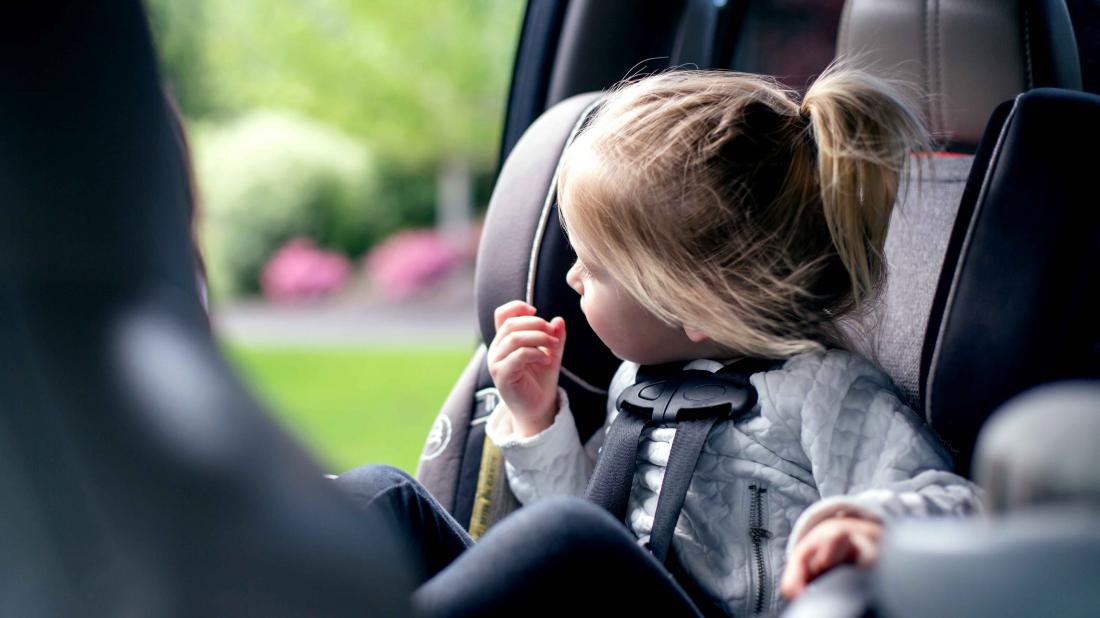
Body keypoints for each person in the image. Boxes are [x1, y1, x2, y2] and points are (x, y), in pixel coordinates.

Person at [339, 64, 980, 617]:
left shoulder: (824, 395)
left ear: (694, 305)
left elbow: (958, 502)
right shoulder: (637, 384)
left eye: (594, 267)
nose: (570, 276)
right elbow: (597, 519)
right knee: (381, 494)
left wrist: (873, 522)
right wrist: (538, 421)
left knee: (565, 537)